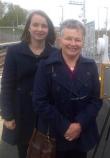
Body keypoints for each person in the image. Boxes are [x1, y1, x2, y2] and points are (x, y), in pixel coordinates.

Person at [32, 19, 103, 158]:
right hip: (55, 136)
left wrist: (79, 124)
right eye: (68, 39)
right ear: (60, 40)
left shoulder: (90, 66)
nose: (73, 44)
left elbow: (96, 99)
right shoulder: (46, 66)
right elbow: (39, 102)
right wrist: (65, 127)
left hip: (82, 134)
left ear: (83, 42)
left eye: (77, 40)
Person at [0, 10, 57, 158]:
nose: (39, 29)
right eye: (35, 25)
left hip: (46, 111)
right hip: (22, 111)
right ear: (29, 28)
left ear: (48, 29)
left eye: (44, 26)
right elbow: (7, 84)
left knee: (48, 150)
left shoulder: (56, 54)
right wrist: (7, 115)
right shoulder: (14, 51)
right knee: (24, 150)